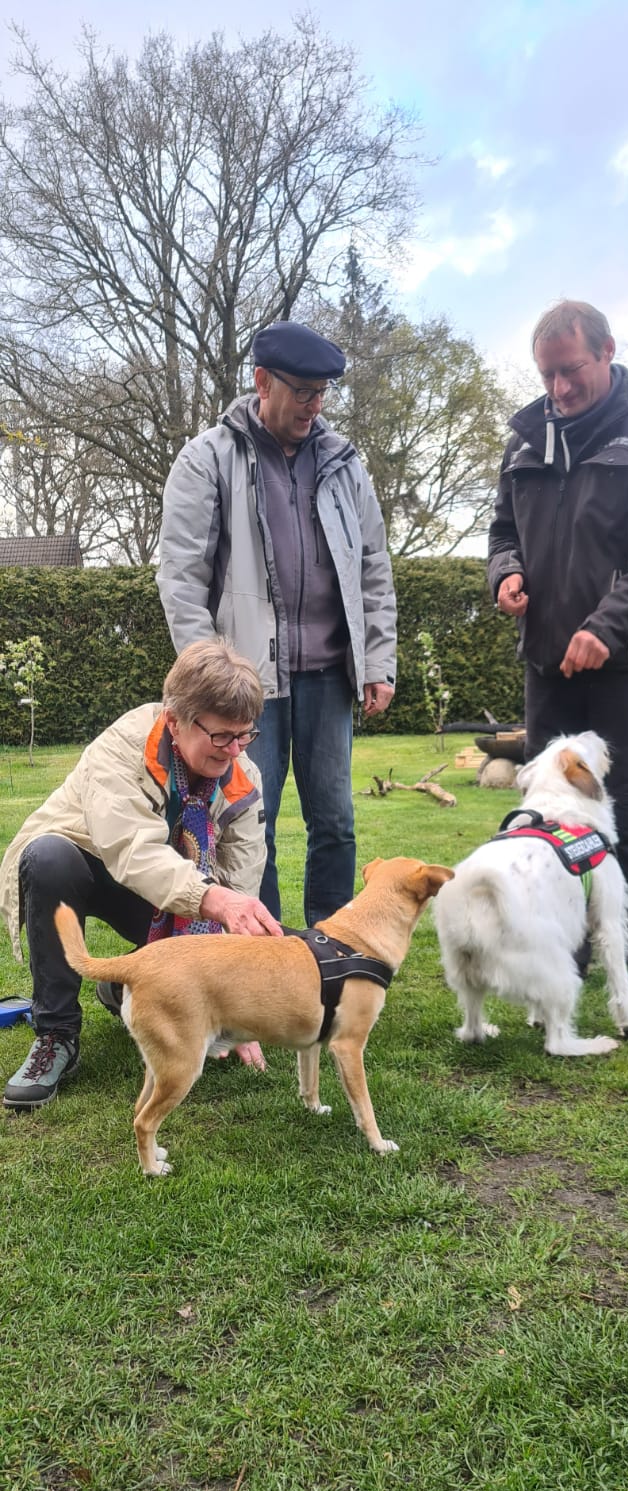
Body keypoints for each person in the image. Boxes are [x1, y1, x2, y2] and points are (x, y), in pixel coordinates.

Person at [487, 299, 628, 995]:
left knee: (627, 803)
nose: (559, 388)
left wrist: (606, 626)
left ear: (606, 352)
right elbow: (501, 532)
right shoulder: (524, 444)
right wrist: (506, 573)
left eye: (571, 370)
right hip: (547, 662)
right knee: (551, 810)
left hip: (626, 663)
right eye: (547, 375)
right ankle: (561, 940)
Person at [156, 320, 397, 927]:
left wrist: (377, 661)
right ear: (263, 382)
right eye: (302, 392)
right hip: (245, 685)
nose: (314, 406)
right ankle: (259, 952)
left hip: (329, 676)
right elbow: (181, 576)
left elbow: (373, 567)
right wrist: (208, 679)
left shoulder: (344, 464)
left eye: (322, 393)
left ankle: (332, 949)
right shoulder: (207, 458)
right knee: (246, 822)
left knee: (336, 822)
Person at [1, 638, 282, 1111]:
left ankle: (125, 985)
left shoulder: (242, 775)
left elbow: (241, 882)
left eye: (245, 735)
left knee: (238, 920)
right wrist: (215, 900)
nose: (234, 750)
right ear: (174, 720)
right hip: (94, 863)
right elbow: (133, 851)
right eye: (220, 736)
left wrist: (236, 1010)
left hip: (179, 886)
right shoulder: (121, 748)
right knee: (48, 858)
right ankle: (57, 1036)